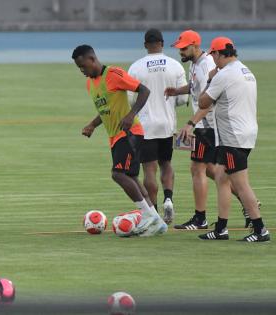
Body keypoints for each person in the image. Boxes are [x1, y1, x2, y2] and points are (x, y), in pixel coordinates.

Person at [72, 44, 167, 237]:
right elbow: (105, 109)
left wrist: (131, 115)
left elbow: (144, 91)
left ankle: (148, 215)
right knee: (131, 177)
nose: (82, 71)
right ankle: (158, 222)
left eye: (83, 66)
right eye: (78, 68)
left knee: (118, 174)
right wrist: (92, 125)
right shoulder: (91, 83)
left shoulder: (114, 74)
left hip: (130, 133)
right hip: (115, 137)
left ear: (92, 59)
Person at [165, 30, 255, 230]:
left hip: (208, 126)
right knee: (217, 172)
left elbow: (209, 101)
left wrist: (191, 123)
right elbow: (195, 87)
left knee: (199, 169)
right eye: (179, 48)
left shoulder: (207, 65)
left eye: (184, 48)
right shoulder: (196, 64)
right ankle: (248, 203)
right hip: (205, 126)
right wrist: (176, 91)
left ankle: (201, 218)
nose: (181, 52)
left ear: (196, 46)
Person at [196, 37, 269, 242]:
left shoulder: (223, 75)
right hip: (245, 132)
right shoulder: (246, 70)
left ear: (219, 54)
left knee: (241, 183)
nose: (213, 60)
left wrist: (210, 79)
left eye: (214, 55)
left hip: (232, 137)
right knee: (221, 175)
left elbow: (203, 102)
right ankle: (221, 228)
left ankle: (260, 229)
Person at [127, 28, 187, 225]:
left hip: (146, 125)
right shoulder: (175, 65)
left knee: (149, 169)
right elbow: (182, 99)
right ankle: (168, 198)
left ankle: (153, 212)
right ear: (162, 43)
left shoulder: (136, 67)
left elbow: (131, 99)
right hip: (167, 125)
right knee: (166, 163)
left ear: (145, 45)